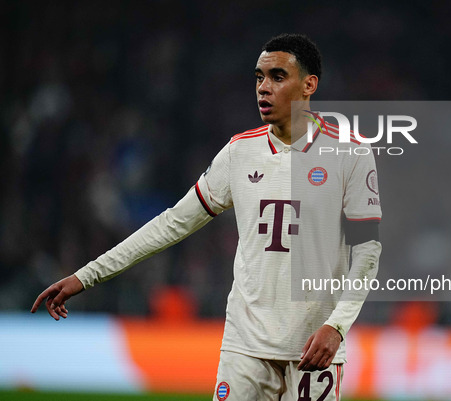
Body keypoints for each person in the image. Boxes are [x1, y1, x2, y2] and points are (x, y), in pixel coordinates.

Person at [31, 33, 382, 401]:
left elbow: (367, 252)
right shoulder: (240, 152)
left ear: (309, 84)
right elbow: (172, 223)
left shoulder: (350, 154)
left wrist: (336, 327)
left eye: (277, 77)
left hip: (314, 346)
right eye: (259, 77)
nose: (263, 88)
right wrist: (85, 276)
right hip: (245, 347)